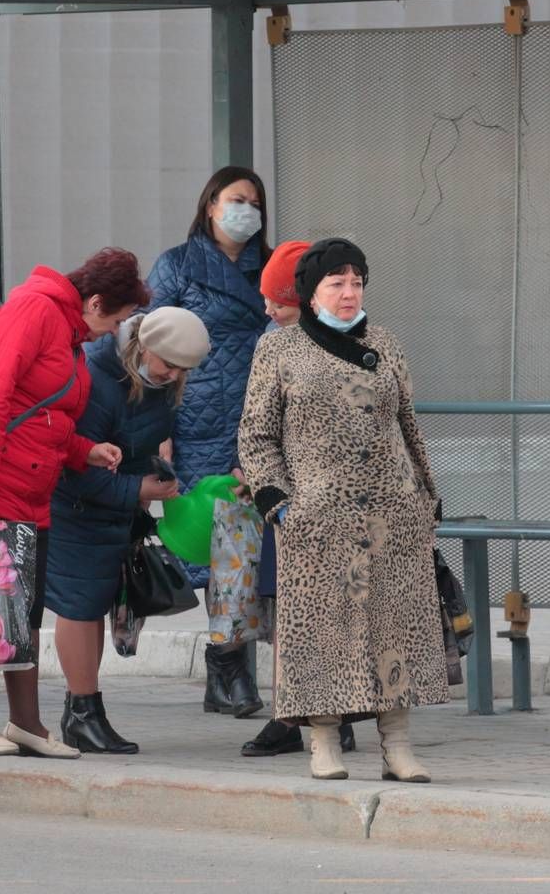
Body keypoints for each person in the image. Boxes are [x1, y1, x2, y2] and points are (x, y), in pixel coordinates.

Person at [239, 238, 448, 782]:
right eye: (337, 283)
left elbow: (409, 426)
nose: (349, 292)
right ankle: (323, 741)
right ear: (311, 293)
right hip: (316, 515)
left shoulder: (386, 343)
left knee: (392, 625)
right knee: (321, 630)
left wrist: (427, 495)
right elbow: (257, 435)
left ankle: (397, 744)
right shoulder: (278, 350)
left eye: (357, 282)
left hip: (391, 512)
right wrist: (277, 501)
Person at [0, 248, 143, 758]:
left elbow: (48, 417)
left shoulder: (69, 331)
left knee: (24, 611)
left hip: (32, 487)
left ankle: (27, 725)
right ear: (96, 301)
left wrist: (86, 451)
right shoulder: (33, 309)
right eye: (117, 320)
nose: (114, 332)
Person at [46, 307, 211, 754]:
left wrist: (155, 475)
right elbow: (76, 465)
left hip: (115, 508)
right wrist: (137, 487)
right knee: (79, 607)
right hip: (78, 509)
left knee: (95, 603)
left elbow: (143, 437)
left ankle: (86, 713)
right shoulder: (99, 379)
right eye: (168, 363)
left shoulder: (157, 381)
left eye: (183, 369)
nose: (174, 374)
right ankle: (82, 714)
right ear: (144, 346)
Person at [147, 166, 273, 718]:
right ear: (211, 205)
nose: (244, 209)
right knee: (219, 545)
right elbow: (153, 348)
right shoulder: (177, 265)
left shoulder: (271, 270)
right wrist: (158, 431)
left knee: (248, 548)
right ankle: (229, 670)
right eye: (235, 199)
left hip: (259, 419)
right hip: (195, 421)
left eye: (253, 201)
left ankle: (229, 670)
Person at [240, 239, 353, 759]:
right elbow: (259, 424)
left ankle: (332, 714)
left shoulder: (346, 344)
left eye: (277, 301)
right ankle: (293, 713)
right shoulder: (276, 342)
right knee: (290, 608)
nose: (268, 309)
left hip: (332, 500)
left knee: (331, 609)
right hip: (289, 501)